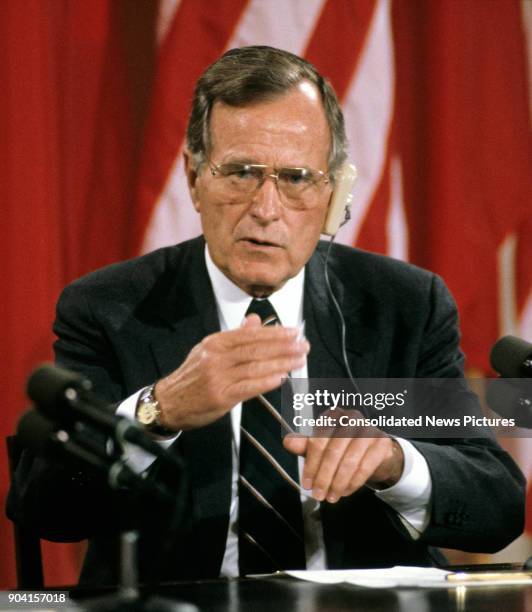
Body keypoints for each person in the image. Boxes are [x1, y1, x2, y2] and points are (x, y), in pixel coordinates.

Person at [8, 46, 524, 586]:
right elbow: (47, 509)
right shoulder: (111, 307)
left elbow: (497, 508)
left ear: (333, 193)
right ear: (193, 176)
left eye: (297, 177)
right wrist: (157, 413)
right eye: (240, 173)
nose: (266, 208)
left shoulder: (400, 304)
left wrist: (395, 462)